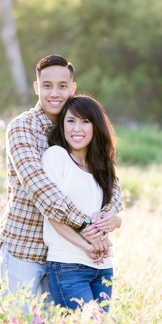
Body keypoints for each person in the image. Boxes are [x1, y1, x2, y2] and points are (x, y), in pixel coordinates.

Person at [0, 54, 122, 310]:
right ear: (37, 87)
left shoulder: (76, 130)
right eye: (47, 85)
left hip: (68, 257)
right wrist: (89, 228)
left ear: (72, 88)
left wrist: (107, 218)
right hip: (25, 249)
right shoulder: (22, 128)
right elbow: (43, 192)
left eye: (62, 86)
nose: (55, 93)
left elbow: (110, 186)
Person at [42, 94, 118, 311]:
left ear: (96, 126)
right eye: (71, 121)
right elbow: (52, 213)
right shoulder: (56, 156)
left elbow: (111, 209)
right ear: (62, 125)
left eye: (85, 121)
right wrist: (87, 246)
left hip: (103, 267)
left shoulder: (101, 165)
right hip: (68, 265)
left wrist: (117, 220)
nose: (77, 128)